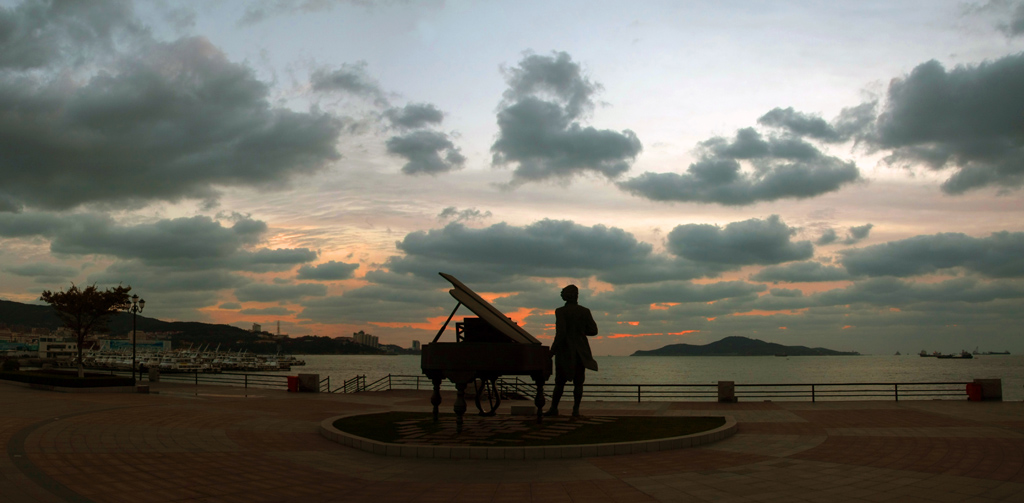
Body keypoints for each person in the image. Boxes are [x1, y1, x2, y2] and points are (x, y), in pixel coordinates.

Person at [545, 284, 598, 418]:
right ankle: (575, 411)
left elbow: (561, 333)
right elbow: (593, 330)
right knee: (579, 382)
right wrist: (580, 332)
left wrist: (553, 350)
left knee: (560, 382)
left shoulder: (561, 312)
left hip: (565, 351)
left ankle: (554, 408)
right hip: (581, 351)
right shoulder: (585, 311)